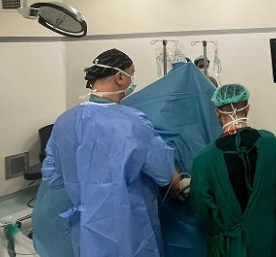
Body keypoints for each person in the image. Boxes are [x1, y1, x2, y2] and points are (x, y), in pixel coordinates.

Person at [35, 48, 182, 257]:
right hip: (130, 226)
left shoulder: (64, 121)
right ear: (120, 77)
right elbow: (163, 172)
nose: (132, 80)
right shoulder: (132, 122)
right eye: (131, 74)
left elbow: (53, 176)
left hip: (85, 224)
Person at [189, 83, 276, 257]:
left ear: (217, 113)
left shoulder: (204, 159)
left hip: (228, 248)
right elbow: (274, 188)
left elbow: (201, 210)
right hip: (265, 241)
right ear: (248, 109)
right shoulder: (269, 143)